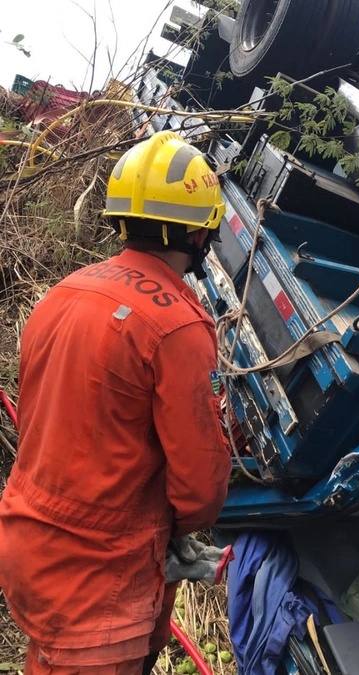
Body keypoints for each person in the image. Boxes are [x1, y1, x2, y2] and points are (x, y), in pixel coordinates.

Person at [0, 131, 233, 675]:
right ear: (203, 232)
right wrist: (179, 528)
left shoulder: (67, 290)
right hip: (99, 578)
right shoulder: (178, 325)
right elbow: (200, 487)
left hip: (28, 542)